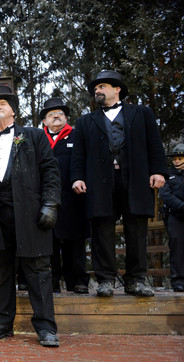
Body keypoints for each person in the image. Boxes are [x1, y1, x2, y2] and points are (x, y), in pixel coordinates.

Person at [0, 85, 61, 347]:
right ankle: (2, 322)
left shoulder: (33, 136)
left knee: (38, 269)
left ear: (14, 111)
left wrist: (51, 204)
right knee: (2, 270)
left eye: (2, 103)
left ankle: (46, 327)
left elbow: (51, 171)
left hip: (30, 214)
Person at [71, 70, 168, 297]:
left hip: (135, 179)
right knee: (102, 229)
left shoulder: (141, 114)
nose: (97, 90)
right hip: (99, 181)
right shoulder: (86, 121)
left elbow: (155, 144)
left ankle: (135, 280)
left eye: (102, 86)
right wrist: (77, 177)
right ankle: (106, 280)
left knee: (136, 229)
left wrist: (158, 171)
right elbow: (78, 154)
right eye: (95, 88)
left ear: (117, 89)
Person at [40, 98, 90, 294]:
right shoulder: (38, 139)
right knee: (48, 241)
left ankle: (78, 280)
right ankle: (52, 281)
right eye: (51, 114)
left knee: (74, 241)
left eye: (60, 113)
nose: (56, 116)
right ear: (44, 121)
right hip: (45, 199)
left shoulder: (77, 136)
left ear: (66, 118)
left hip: (73, 197)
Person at [158, 144, 184, 292]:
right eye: (175, 158)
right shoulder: (168, 175)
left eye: (180, 158)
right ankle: (178, 281)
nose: (176, 161)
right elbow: (165, 195)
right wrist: (181, 206)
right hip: (175, 215)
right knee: (177, 248)